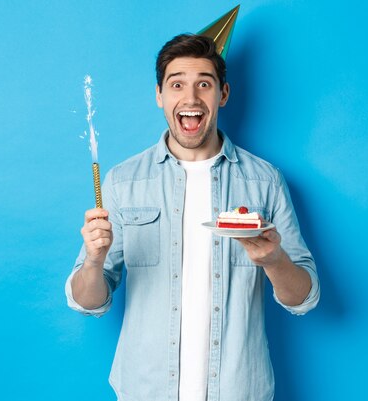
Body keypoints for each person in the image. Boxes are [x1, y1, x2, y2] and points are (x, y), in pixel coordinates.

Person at [66, 34, 320, 401]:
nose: (190, 98)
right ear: (160, 96)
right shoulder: (123, 181)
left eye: (204, 83)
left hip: (238, 391)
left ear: (224, 94)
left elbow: (305, 298)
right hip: (145, 391)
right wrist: (93, 261)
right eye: (177, 84)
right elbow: (88, 302)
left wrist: (274, 260)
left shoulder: (264, 181)